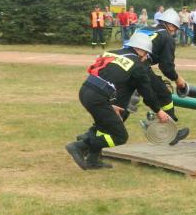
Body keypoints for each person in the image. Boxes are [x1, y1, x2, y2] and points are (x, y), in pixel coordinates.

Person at [65, 32, 169, 170]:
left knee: (103, 127)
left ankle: (92, 160)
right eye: (146, 53)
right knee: (119, 136)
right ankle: (80, 145)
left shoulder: (112, 53)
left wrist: (110, 104)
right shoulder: (137, 65)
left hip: (86, 90)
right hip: (98, 97)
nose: (145, 57)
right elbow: (147, 92)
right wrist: (158, 111)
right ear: (140, 50)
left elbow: (109, 76)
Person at [131, 8, 190, 144]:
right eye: (175, 29)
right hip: (139, 67)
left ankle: (91, 137)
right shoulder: (167, 37)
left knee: (123, 105)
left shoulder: (145, 29)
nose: (174, 32)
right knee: (164, 94)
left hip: (125, 63)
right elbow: (166, 66)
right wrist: (177, 79)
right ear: (170, 26)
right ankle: (171, 133)